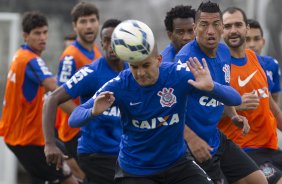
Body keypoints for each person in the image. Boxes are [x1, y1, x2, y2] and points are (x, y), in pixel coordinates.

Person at [68, 20, 244, 183]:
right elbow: (74, 118)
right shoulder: (120, 84)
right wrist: (92, 112)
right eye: (134, 66)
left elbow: (235, 98)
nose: (140, 73)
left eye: (146, 65)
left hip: (177, 164)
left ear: (158, 60)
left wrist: (212, 86)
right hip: (136, 171)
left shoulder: (178, 74)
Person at [174, 2, 267, 184]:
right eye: (204, 25)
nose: (210, 31)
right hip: (191, 146)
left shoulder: (224, 52)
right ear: (195, 28)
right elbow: (168, 110)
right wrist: (192, 140)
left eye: (216, 24)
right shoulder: (186, 61)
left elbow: (223, 92)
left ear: (222, 27)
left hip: (215, 137)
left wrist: (233, 115)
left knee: (258, 180)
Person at [43, 19, 125, 184]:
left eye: (116, 39)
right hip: (97, 154)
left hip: (126, 153)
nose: (111, 44)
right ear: (101, 43)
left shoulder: (134, 71)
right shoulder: (91, 72)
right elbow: (52, 98)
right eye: (107, 40)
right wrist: (50, 144)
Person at [0, 11, 77, 184]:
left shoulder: (20, 55)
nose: (42, 37)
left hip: (27, 135)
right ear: (25, 36)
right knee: (69, 177)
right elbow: (56, 90)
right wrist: (85, 114)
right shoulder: (30, 60)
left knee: (70, 163)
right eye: (37, 33)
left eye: (45, 32)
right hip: (26, 139)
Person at [218, 7, 282, 184]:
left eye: (238, 25)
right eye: (228, 26)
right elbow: (202, 114)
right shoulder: (217, 66)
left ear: (246, 28)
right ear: (221, 30)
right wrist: (236, 106)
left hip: (271, 148)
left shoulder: (253, 57)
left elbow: (272, 108)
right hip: (243, 153)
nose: (233, 31)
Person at [55, 1, 101, 162]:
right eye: (83, 21)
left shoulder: (96, 52)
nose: (89, 26)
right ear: (74, 26)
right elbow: (59, 99)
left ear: (98, 23)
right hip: (75, 132)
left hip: (94, 131)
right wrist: (86, 117)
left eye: (92, 20)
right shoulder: (70, 56)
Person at [245, 19, 281, 104]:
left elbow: (275, 99)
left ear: (263, 42)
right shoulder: (230, 65)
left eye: (256, 39)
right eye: (247, 39)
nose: (252, 44)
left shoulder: (272, 64)